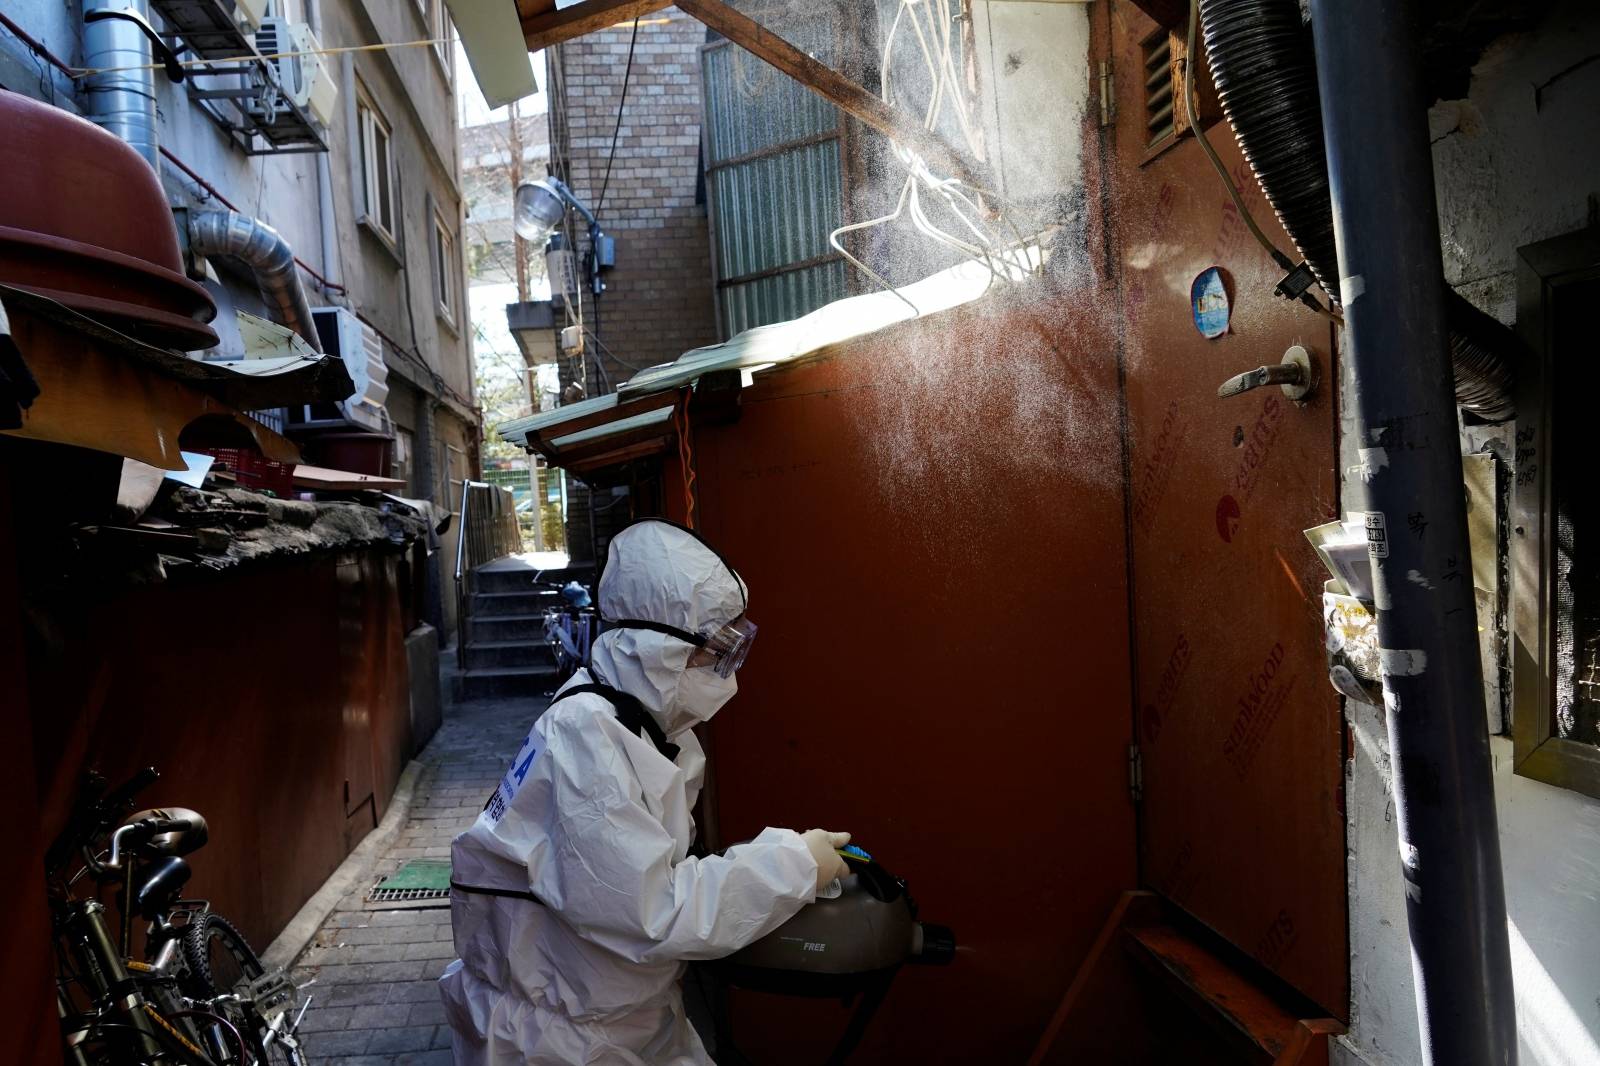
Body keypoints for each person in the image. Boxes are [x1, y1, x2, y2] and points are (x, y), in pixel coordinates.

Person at [440, 519, 851, 1065]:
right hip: (561, 1043)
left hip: (615, 1015)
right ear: (657, 647)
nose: (727, 671)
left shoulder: (642, 725)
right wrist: (793, 865)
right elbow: (652, 911)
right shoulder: (587, 736)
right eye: (716, 650)